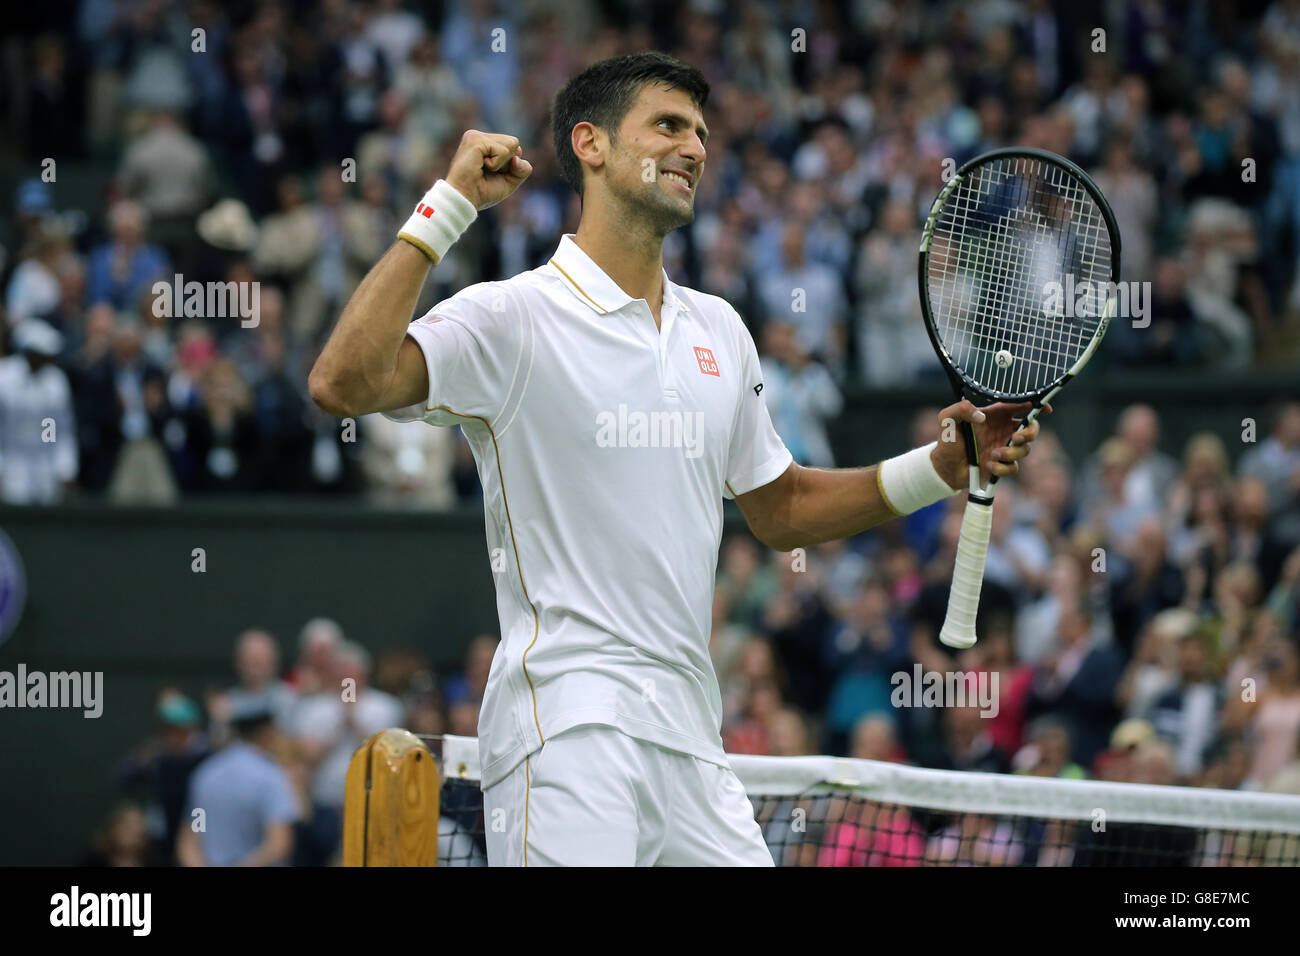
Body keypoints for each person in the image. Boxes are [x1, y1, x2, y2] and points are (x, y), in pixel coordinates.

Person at [308, 52, 1044, 867]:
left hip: (693, 744)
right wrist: (449, 206)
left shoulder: (720, 329)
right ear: (589, 144)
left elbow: (783, 506)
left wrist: (939, 468)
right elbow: (344, 381)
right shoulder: (514, 317)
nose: (695, 147)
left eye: (701, 131)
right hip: (568, 725)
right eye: (668, 125)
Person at [176, 698, 298, 867]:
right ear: (267, 732)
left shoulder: (206, 775)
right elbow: (279, 844)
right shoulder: (270, 776)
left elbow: (192, 839)